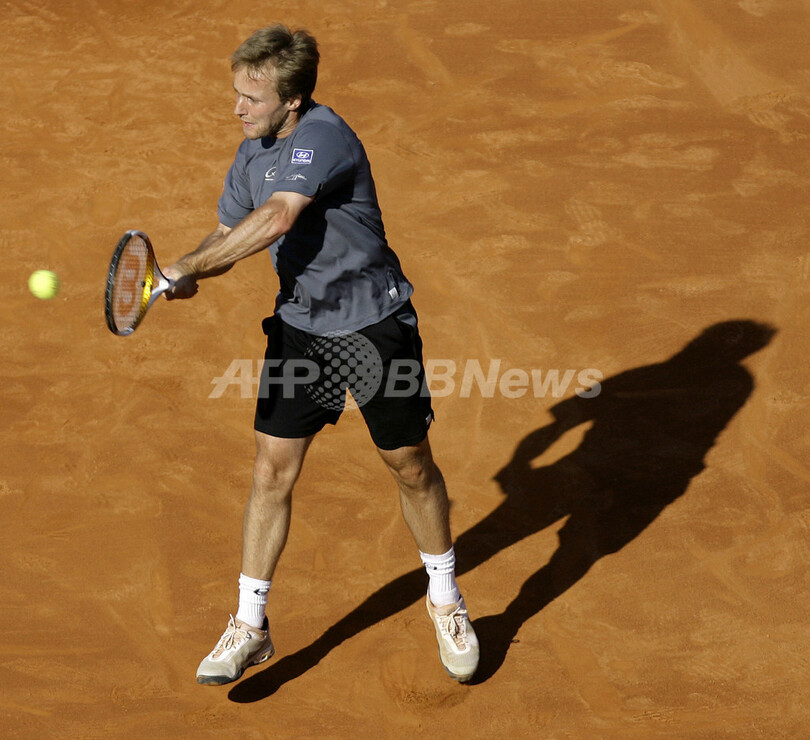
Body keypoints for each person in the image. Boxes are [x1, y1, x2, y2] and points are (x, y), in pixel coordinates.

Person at [162, 24, 479, 686]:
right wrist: (191, 268)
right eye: (236, 93)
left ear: (293, 100)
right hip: (301, 330)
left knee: (410, 466)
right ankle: (251, 624)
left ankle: (446, 599)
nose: (237, 108)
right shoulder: (250, 155)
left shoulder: (324, 137)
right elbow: (228, 231)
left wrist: (193, 265)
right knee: (271, 470)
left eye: (252, 98)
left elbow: (278, 217)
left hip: (374, 326)